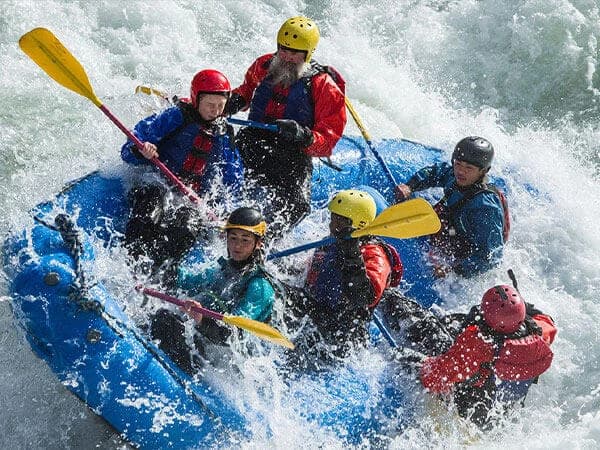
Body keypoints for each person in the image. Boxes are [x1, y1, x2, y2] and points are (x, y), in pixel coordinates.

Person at [225, 16, 347, 235]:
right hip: (253, 141)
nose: (288, 57)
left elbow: (328, 141)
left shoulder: (324, 86)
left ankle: (264, 242)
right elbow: (246, 92)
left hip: (292, 154)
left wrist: (303, 135)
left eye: (295, 52)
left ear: (308, 53)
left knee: (297, 207)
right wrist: (228, 103)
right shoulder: (263, 65)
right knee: (224, 180)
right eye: (284, 50)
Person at [384, 283, 556, 429]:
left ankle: (389, 300)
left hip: (470, 414)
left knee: (428, 333)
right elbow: (547, 320)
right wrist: (523, 310)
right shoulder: (540, 334)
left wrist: (410, 359)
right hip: (501, 416)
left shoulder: (478, 346)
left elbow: (433, 377)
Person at [121, 69, 241, 269]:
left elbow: (232, 178)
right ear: (196, 99)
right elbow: (130, 148)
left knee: (185, 230)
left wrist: (228, 212)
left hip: (192, 198)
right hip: (159, 182)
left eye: (221, 105)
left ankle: (159, 272)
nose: (216, 111)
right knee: (147, 216)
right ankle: (131, 264)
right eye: (210, 105)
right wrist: (142, 150)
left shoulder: (224, 133)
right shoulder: (176, 116)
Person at [149, 207, 277, 375]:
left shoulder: (259, 287)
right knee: (160, 317)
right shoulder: (221, 270)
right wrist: (167, 260)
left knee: (165, 321)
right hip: (205, 339)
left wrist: (202, 319)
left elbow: (234, 334)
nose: (237, 245)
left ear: (258, 243)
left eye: (245, 240)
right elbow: (185, 282)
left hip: (233, 361)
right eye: (233, 238)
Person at [285, 189, 403, 365]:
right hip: (316, 317)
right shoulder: (330, 243)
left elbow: (364, 297)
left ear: (356, 224)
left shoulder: (375, 254)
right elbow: (307, 277)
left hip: (342, 338)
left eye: (339, 220)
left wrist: (352, 255)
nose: (332, 225)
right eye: (333, 217)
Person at [395, 136, 510, 278]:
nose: (461, 172)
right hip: (457, 224)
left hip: (469, 243)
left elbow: (491, 257)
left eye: (469, 168)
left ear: (483, 171)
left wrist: (453, 269)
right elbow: (435, 172)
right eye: (458, 164)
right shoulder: (454, 175)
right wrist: (410, 186)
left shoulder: (486, 208)